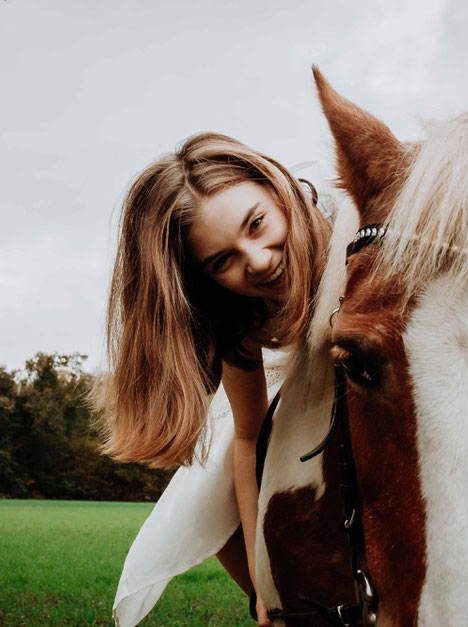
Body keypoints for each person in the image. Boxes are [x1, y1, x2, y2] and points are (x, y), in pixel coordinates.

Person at [92, 132, 332, 626]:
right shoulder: (237, 321)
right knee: (210, 481)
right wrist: (262, 574)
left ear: (277, 185)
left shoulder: (348, 219)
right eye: (224, 260)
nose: (260, 260)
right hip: (288, 382)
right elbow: (248, 436)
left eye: (257, 224)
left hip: (360, 364)